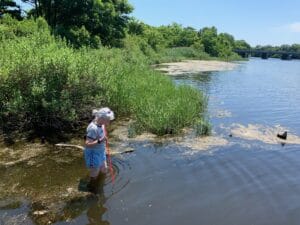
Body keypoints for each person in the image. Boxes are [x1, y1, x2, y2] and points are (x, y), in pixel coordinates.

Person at [84, 107, 115, 193]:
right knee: (95, 173)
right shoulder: (93, 129)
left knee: (104, 170)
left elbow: (103, 131)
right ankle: (91, 189)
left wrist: (104, 138)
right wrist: (100, 140)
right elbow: (87, 144)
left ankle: (101, 184)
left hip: (100, 152)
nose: (109, 122)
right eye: (108, 120)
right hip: (93, 154)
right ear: (102, 118)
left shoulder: (101, 123)